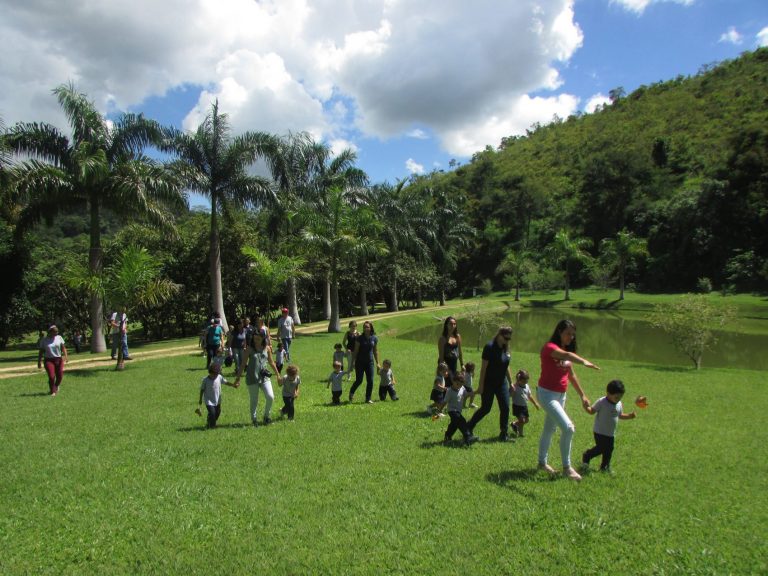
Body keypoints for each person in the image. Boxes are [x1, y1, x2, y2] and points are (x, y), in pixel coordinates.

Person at [537, 319, 600, 481]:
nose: (571, 337)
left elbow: (571, 375)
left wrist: (583, 395)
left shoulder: (565, 350)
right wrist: (584, 361)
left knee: (549, 430)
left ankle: (542, 463)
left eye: (573, 335)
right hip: (546, 394)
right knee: (569, 428)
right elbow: (566, 355)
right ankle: (567, 468)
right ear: (559, 332)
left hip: (560, 395)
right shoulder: (550, 348)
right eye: (568, 334)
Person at [466, 327, 515, 442]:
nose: (507, 341)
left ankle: (504, 433)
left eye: (509, 338)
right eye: (506, 338)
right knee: (486, 408)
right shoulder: (489, 347)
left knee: (505, 407)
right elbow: (483, 369)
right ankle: (469, 426)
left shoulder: (505, 348)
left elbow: (506, 366)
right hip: (489, 383)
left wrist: (511, 382)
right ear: (499, 335)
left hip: (502, 383)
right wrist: (481, 386)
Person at [581, 379, 636, 473]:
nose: (618, 399)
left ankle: (604, 467)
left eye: (620, 397)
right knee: (601, 448)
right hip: (599, 431)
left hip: (610, 433)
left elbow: (620, 415)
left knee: (609, 450)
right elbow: (591, 411)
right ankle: (587, 455)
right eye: (616, 397)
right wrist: (586, 406)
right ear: (608, 393)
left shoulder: (619, 404)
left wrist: (630, 416)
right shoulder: (602, 402)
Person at [235, 329, 280, 426]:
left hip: (264, 377)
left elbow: (272, 362)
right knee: (254, 400)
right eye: (255, 338)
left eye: (258, 339)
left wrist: (278, 375)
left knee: (270, 396)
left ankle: (266, 417)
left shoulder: (267, 348)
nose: (256, 341)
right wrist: (238, 378)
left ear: (263, 338)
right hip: (252, 377)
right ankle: (254, 419)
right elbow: (243, 364)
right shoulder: (249, 349)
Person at [198, 363, 239, 429]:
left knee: (217, 412)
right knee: (212, 412)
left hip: (217, 399)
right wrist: (200, 399)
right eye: (213, 374)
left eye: (216, 374)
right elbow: (202, 390)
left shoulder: (219, 377)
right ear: (210, 372)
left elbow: (226, 382)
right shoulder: (205, 380)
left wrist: (233, 385)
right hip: (208, 400)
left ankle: (210, 421)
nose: (215, 376)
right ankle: (212, 426)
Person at [443, 372, 479, 446]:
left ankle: (447, 436)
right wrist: (440, 410)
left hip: (458, 410)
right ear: (453, 381)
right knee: (461, 420)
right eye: (457, 384)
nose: (459, 386)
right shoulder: (449, 391)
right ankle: (468, 437)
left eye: (460, 385)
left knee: (454, 424)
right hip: (452, 411)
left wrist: (475, 392)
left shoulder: (462, 388)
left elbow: (466, 394)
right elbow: (445, 402)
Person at [349, 320, 380, 404]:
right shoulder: (359, 338)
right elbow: (355, 351)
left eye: (367, 327)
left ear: (371, 328)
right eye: (364, 327)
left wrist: (378, 363)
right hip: (360, 362)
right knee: (359, 380)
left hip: (370, 362)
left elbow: (375, 351)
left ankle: (368, 398)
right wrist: (352, 363)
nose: (365, 328)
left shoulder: (374, 338)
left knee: (370, 381)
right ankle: (351, 392)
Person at [37, 325, 68, 396]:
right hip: (48, 360)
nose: (56, 333)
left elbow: (63, 348)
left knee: (60, 376)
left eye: (57, 332)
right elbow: (41, 351)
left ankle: (56, 385)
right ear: (50, 332)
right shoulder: (44, 340)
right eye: (54, 332)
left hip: (58, 359)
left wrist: (66, 357)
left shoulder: (59, 338)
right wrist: (39, 361)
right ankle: (53, 391)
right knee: (51, 376)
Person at [510, 369, 540, 438]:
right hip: (517, 406)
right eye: (523, 381)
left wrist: (535, 403)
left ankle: (518, 430)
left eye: (526, 381)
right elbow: (510, 395)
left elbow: (529, 396)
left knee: (526, 420)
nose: (525, 383)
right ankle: (515, 425)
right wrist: (513, 389)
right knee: (522, 420)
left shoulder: (527, 386)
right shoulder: (515, 386)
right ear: (519, 380)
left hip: (524, 407)